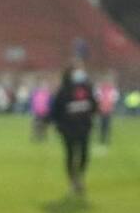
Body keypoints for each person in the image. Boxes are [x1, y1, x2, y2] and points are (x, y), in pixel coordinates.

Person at [48, 66, 98, 197]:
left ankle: (79, 177)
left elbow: (94, 106)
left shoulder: (87, 89)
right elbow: (55, 110)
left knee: (84, 154)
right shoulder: (63, 91)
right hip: (68, 129)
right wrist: (57, 125)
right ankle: (72, 181)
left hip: (83, 128)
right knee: (71, 154)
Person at [95, 77, 117, 145]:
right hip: (101, 110)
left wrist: (110, 106)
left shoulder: (112, 90)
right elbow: (97, 99)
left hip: (108, 110)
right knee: (102, 124)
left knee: (107, 125)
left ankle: (107, 138)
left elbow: (113, 100)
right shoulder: (100, 90)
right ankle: (102, 138)